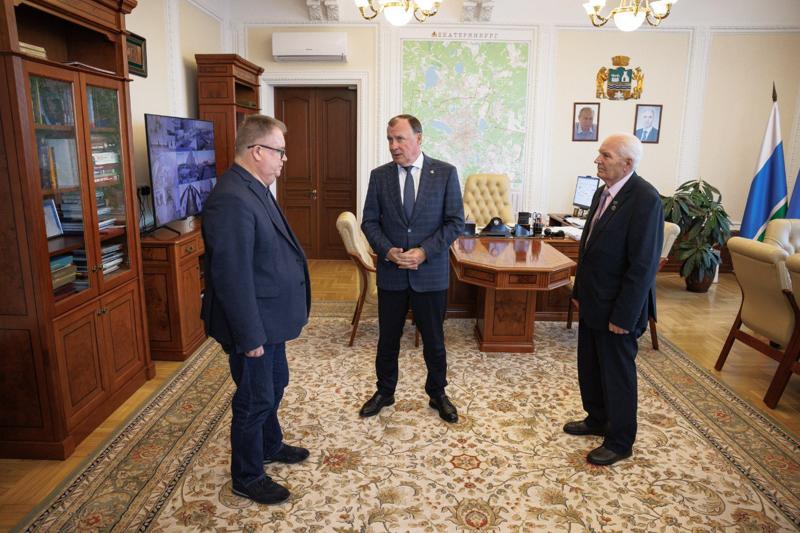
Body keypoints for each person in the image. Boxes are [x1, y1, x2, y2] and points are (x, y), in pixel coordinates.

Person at [201, 115, 311, 504]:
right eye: (280, 151)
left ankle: (269, 444)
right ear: (257, 151)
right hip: (254, 326)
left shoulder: (255, 187)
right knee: (254, 399)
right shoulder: (231, 198)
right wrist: (249, 338)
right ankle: (246, 476)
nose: (284, 159)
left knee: (276, 383)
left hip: (270, 319)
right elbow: (231, 277)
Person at [564, 132, 663, 466]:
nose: (598, 160)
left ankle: (620, 441)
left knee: (617, 374)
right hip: (594, 299)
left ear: (627, 163)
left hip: (619, 307)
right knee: (590, 365)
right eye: (600, 154)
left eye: (605, 155)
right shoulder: (602, 191)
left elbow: (643, 265)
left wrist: (624, 316)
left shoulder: (645, 199)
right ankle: (597, 418)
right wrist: (579, 292)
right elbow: (589, 248)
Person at [359, 114, 465, 423]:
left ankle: (437, 393)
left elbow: (454, 222)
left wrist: (424, 251)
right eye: (390, 139)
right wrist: (387, 251)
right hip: (392, 273)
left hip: (429, 274)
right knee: (387, 339)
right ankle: (384, 391)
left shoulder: (445, 173)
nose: (393, 146)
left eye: (400, 139)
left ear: (418, 139)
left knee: (434, 341)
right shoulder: (380, 176)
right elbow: (369, 222)